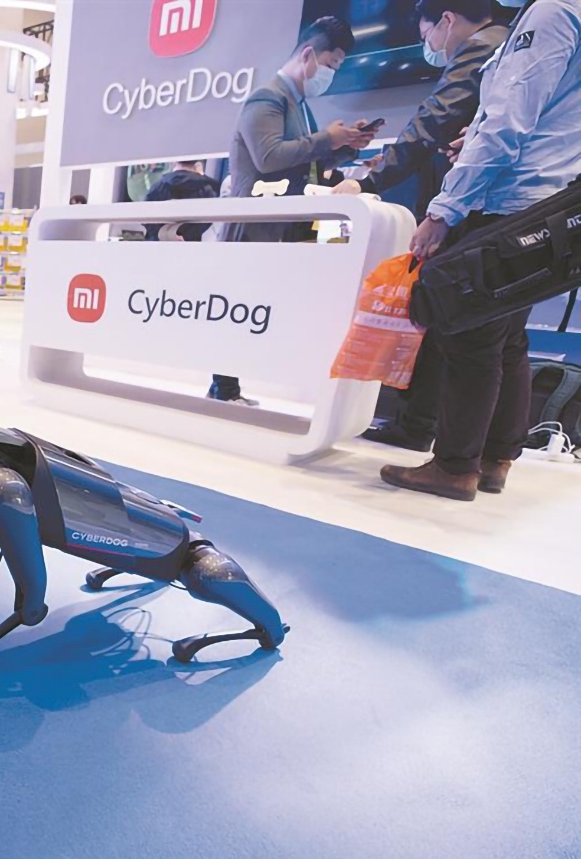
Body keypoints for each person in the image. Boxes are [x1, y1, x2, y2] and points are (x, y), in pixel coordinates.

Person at [381, 0, 581, 501]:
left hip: (507, 201)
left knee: (470, 335)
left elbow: (507, 122)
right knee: (508, 338)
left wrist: (444, 209)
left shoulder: (550, 13)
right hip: (545, 205)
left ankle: (454, 467)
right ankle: (495, 461)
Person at [334, 0, 508, 452]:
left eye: (427, 33)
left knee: (451, 323)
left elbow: (432, 121)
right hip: (495, 210)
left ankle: (428, 437)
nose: (430, 45)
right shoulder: (505, 45)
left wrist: (369, 180)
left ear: (446, 21)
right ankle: (487, 454)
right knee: (503, 338)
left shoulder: (481, 47)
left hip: (468, 208)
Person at [215, 16, 380, 405]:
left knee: (260, 304)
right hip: (255, 226)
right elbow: (269, 157)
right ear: (308, 55)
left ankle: (231, 386)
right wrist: (327, 139)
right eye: (331, 64)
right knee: (240, 306)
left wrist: (345, 146)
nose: (331, 74)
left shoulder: (297, 105)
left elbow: (302, 163)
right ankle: (224, 387)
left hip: (282, 225)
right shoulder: (267, 99)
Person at [143, 159, 220, 242]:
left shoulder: (157, 187)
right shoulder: (208, 189)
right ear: (197, 162)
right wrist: (186, 236)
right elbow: (207, 222)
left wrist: (165, 234)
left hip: (161, 243)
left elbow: (145, 217)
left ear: (174, 161)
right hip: (193, 245)